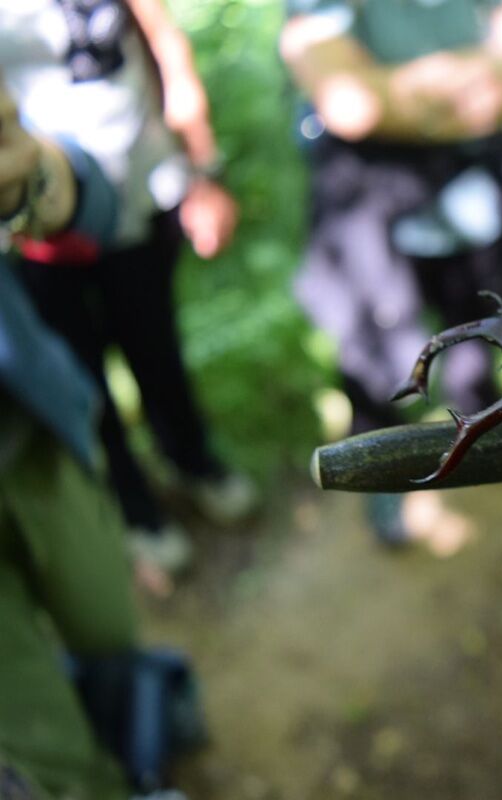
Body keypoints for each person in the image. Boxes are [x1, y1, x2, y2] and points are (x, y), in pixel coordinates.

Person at [280, 0, 502, 543]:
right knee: (377, 352)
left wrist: (412, 94)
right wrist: (484, 84)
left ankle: (493, 440)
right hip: (370, 195)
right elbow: (348, 102)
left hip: (475, 189)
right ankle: (382, 476)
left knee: (487, 323)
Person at [1, 0, 258, 583]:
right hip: (35, 227)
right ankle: (133, 507)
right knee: (79, 370)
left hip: (138, 190)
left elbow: (166, 45)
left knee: (156, 345)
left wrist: (201, 168)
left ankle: (194, 463)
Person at [0, 75, 136, 800]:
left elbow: (97, 204)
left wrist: (30, 171)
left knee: (110, 635)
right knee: (43, 750)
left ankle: (140, 756)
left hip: (34, 438)